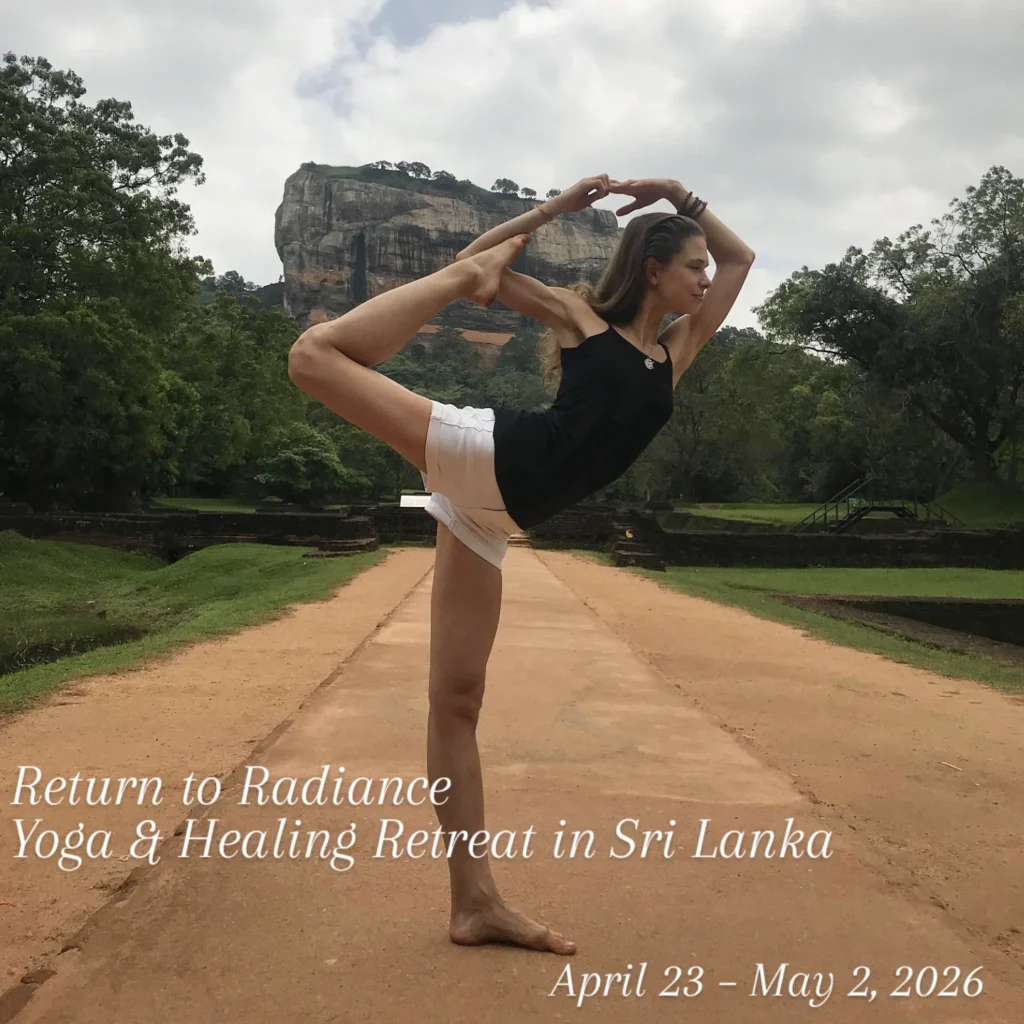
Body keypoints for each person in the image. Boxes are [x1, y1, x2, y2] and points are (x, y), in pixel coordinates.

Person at [287, 174, 755, 955]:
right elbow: (477, 266)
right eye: (693, 265)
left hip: (491, 517)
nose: (707, 279)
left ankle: (474, 904)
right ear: (653, 268)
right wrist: (552, 212)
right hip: (488, 452)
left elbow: (742, 261)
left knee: (456, 703)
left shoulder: (673, 353)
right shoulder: (579, 318)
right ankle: (342, 336)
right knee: (311, 355)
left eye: (704, 270)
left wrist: (679, 192)